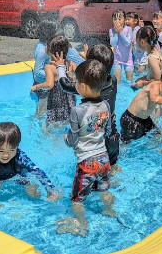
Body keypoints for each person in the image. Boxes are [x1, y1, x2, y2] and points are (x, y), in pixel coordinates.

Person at [57, 60, 115, 237]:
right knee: (104, 189)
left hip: (87, 163)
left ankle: (82, 223)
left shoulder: (77, 110)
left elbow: (73, 142)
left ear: (82, 86)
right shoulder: (106, 105)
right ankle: (109, 210)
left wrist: (66, 138)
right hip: (104, 158)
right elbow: (108, 131)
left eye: (74, 82)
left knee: (77, 200)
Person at [54, 44, 120, 166]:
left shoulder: (87, 88)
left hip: (95, 144)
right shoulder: (113, 80)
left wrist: (60, 66)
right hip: (113, 138)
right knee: (110, 169)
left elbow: (64, 85)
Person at [0, 122, 60, 200]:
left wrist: (50, 189)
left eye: (12, 150)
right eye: (1, 151)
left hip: (21, 179)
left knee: (33, 189)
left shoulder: (20, 157)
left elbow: (38, 172)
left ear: (17, 146)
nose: (6, 155)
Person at [121, 62, 162, 142]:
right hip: (131, 119)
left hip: (145, 120)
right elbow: (154, 98)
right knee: (126, 143)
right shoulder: (155, 84)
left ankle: (160, 152)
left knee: (160, 136)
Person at [33, 21, 85, 115]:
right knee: (41, 111)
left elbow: (79, 68)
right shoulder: (42, 50)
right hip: (44, 85)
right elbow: (37, 73)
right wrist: (55, 75)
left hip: (55, 89)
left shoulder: (53, 50)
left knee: (52, 116)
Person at [30, 35, 76, 125]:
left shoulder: (49, 67)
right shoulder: (70, 64)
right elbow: (80, 74)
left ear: (51, 52)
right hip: (69, 100)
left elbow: (49, 84)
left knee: (49, 126)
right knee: (66, 123)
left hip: (56, 101)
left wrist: (36, 86)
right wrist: (72, 78)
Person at [109, 9, 134, 81]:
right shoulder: (111, 30)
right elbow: (113, 44)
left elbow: (128, 43)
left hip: (128, 59)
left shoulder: (129, 29)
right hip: (117, 59)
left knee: (130, 80)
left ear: (124, 20)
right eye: (115, 19)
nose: (117, 21)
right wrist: (116, 33)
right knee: (117, 81)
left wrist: (121, 32)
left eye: (119, 19)